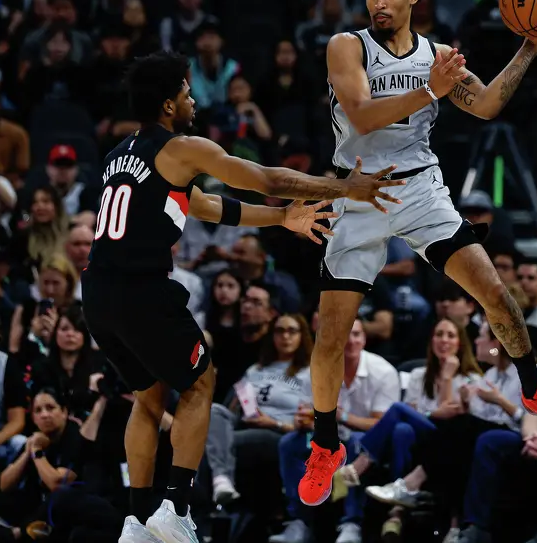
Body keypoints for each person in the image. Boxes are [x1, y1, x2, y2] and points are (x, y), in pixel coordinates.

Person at [80, 50, 410, 543]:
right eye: (187, 92)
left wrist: (281, 219)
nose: (193, 100)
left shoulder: (118, 156)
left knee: (147, 399)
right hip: (141, 288)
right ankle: (176, 507)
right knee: (200, 381)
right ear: (169, 105)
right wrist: (346, 188)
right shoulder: (181, 148)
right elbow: (267, 179)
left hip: (98, 294)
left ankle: (137, 519)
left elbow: (206, 205)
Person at [300, 0, 537, 507]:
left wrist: (530, 45)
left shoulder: (438, 56)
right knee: (331, 334)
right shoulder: (346, 46)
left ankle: (534, 386)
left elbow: (485, 104)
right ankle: (326, 443)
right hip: (356, 189)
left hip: (418, 187)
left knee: (496, 296)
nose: (378, 3)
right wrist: (429, 88)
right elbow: (358, 114)